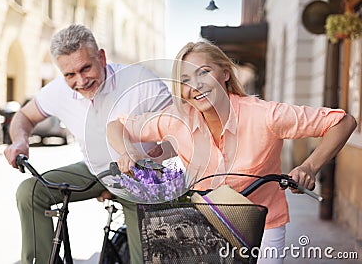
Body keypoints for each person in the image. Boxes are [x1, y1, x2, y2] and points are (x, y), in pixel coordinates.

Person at [106, 40, 357, 263]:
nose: (195, 86)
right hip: (207, 224)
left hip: (264, 225)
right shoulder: (177, 119)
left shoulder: (264, 115)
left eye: (204, 72)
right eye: (185, 80)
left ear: (225, 73)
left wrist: (309, 167)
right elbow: (116, 125)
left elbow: (343, 122)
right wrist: (128, 153)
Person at [4, 24, 172, 264]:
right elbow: (24, 116)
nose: (80, 81)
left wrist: (153, 159)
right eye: (70, 75)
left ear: (101, 57)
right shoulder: (57, 91)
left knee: (143, 259)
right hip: (94, 170)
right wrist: (19, 141)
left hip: (140, 176)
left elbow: (178, 133)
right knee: (30, 191)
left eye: (86, 68)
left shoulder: (140, 81)